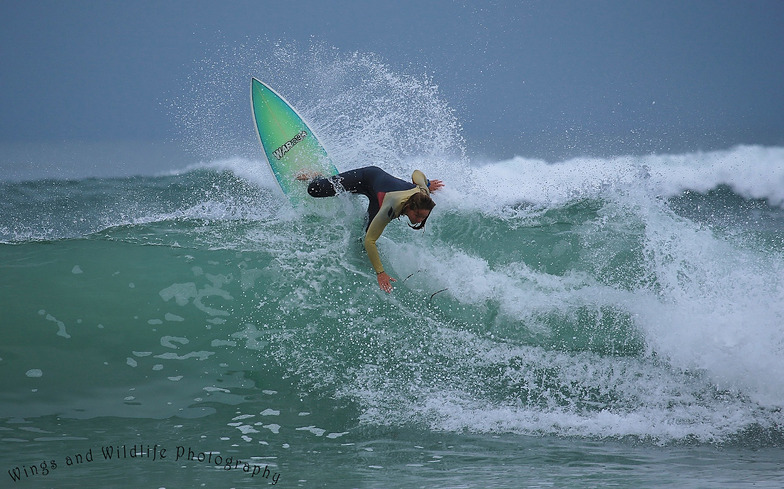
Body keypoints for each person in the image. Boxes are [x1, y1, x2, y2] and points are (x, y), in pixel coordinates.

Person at [303, 166, 444, 292]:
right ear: (408, 207)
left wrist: (428, 184)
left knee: (362, 236)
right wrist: (380, 273)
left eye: (423, 217)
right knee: (314, 189)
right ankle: (317, 175)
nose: (419, 220)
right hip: (367, 177)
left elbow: (417, 174)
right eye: (417, 215)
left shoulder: (423, 194)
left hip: (379, 197)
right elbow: (370, 241)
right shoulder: (391, 207)